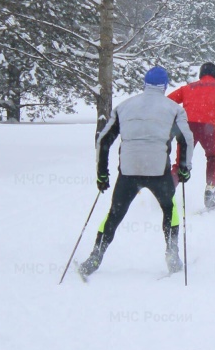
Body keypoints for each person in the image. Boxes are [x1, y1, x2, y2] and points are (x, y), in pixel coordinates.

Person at [78, 66, 194, 278]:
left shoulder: (125, 106)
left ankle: (95, 256)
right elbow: (185, 139)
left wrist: (102, 174)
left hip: (129, 170)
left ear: (144, 84)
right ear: (165, 86)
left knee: (114, 214)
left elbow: (104, 140)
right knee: (170, 209)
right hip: (159, 171)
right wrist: (184, 167)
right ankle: (172, 254)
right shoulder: (174, 109)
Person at [168, 62, 215, 208]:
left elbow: (167, 101)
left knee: (180, 164)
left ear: (200, 74)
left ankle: (168, 190)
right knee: (213, 157)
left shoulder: (188, 88)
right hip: (210, 128)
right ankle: (210, 190)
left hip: (188, 126)